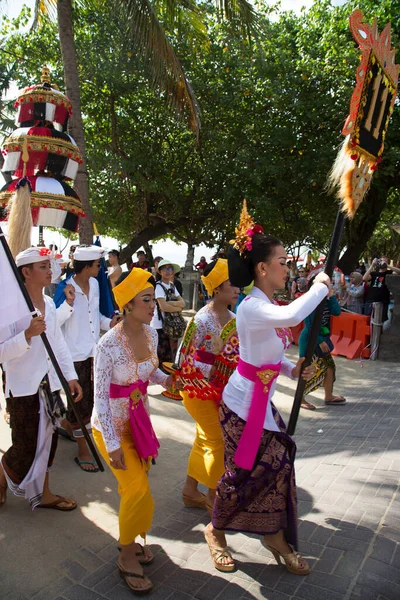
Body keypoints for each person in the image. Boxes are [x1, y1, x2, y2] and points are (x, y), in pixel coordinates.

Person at [204, 202, 331, 574]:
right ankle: (215, 529)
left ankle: (272, 534)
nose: (287, 267)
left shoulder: (265, 303)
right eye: (283, 261)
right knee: (245, 472)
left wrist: (292, 370)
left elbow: (268, 355)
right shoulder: (251, 308)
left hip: (260, 402)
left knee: (277, 466)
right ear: (263, 268)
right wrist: (320, 285)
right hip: (242, 405)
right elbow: (293, 316)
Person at [92, 268, 174, 594]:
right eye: (146, 299)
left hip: (139, 425)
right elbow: (99, 397)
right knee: (137, 488)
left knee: (138, 489)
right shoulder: (107, 345)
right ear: (127, 304)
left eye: (153, 299)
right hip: (110, 429)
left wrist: (169, 381)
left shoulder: (152, 334)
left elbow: (147, 375)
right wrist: (111, 443)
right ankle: (126, 554)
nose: (153, 306)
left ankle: (135, 538)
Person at [0, 247, 82, 510]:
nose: (50, 271)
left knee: (50, 440)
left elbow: (58, 345)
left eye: (49, 266)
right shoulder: (9, 308)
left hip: (50, 385)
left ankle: (44, 493)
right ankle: (1, 477)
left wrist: (70, 376)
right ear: (26, 272)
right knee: (24, 445)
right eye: (43, 267)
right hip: (23, 386)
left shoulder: (47, 302)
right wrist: (26, 335)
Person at [180, 259, 239, 512]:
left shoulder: (236, 318)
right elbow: (184, 358)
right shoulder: (201, 319)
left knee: (204, 439)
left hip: (223, 389)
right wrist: (215, 369)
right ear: (216, 289)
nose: (238, 288)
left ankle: (190, 490)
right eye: (232, 283)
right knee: (219, 440)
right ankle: (214, 498)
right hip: (197, 388)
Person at [56, 245, 119, 472]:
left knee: (90, 401)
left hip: (94, 352)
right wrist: (69, 304)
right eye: (96, 265)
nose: (100, 269)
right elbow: (54, 322)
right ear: (85, 267)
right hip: (73, 356)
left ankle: (65, 425)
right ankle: (83, 449)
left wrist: (109, 323)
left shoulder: (94, 284)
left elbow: (96, 318)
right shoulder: (65, 288)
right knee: (80, 404)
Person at [298, 274, 344, 410]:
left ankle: (328, 396)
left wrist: (332, 296)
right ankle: (300, 398)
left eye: (327, 284)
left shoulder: (327, 300)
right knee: (310, 369)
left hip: (322, 338)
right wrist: (318, 340)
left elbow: (337, 312)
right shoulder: (310, 300)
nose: (326, 286)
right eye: (323, 284)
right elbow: (309, 324)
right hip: (310, 340)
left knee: (330, 367)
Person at [150, 259, 185, 364]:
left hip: (172, 325)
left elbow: (182, 303)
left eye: (169, 268)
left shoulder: (172, 286)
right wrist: (177, 306)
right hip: (159, 325)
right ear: (160, 272)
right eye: (164, 269)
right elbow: (163, 307)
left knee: (171, 354)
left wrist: (171, 304)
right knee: (162, 355)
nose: (167, 271)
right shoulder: (158, 286)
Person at [363, 257, 400, 321]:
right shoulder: (374, 273)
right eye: (381, 261)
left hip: (382, 301)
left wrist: (388, 266)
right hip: (370, 300)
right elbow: (364, 278)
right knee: (367, 320)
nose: (382, 262)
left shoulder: (389, 273)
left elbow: (399, 272)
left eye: (385, 261)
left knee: (380, 321)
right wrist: (372, 265)